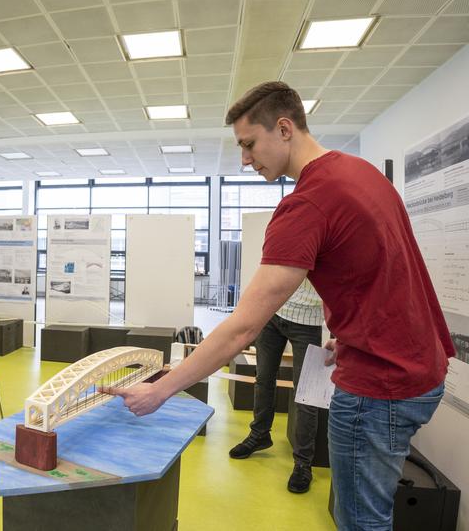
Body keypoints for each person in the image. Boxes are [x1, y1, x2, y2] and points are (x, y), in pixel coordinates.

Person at [104, 81, 454, 530]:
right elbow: (385, 273)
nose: (245, 159)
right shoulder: (359, 171)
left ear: (284, 128)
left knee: (363, 523)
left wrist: (161, 389)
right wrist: (351, 332)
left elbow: (242, 328)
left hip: (378, 387)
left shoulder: (307, 204)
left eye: (249, 144)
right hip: (422, 370)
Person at [228, 279, 324, 494]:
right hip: (273, 312)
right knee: (263, 379)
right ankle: (259, 435)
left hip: (308, 321)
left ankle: (303, 464)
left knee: (306, 395)